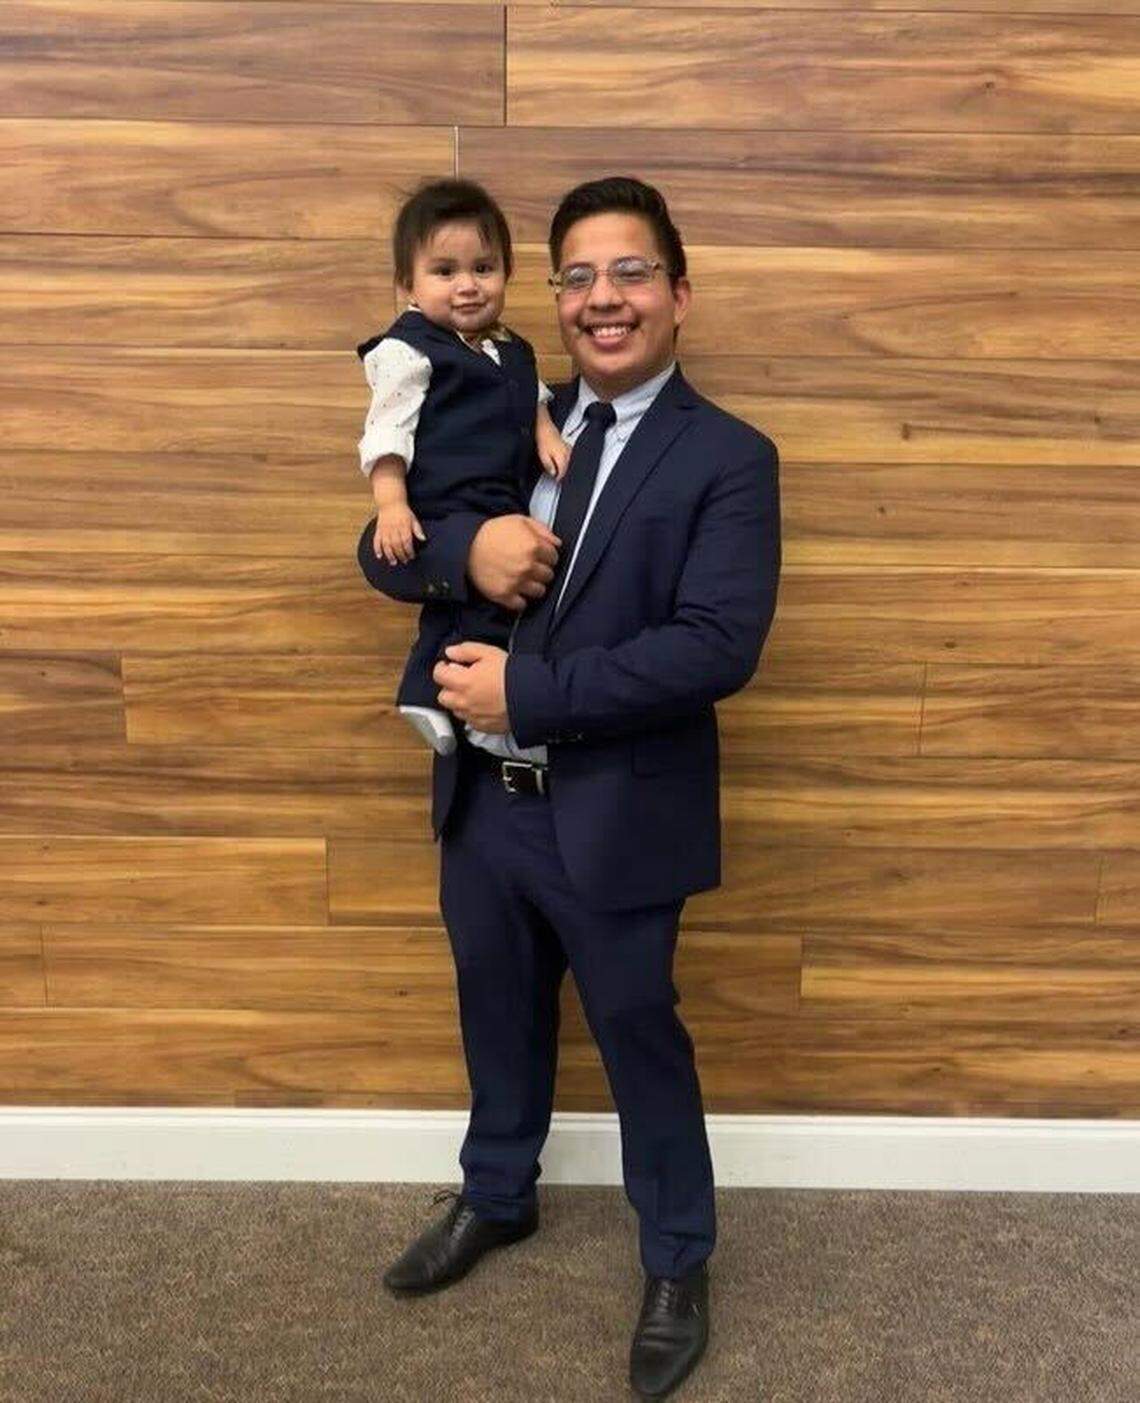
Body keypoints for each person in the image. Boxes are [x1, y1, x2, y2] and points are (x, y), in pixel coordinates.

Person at [357, 175, 781, 1401]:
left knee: (640, 1033)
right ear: (557, 298)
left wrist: (531, 697)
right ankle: (499, 1194)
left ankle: (676, 1256)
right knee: (497, 1014)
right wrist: (461, 548)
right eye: (579, 276)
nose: (604, 298)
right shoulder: (497, 405)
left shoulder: (730, 457)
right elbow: (375, 544)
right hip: (483, 812)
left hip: (618, 812)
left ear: (679, 294)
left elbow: (716, 645)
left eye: (631, 271)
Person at [355, 178, 570, 755]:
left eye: (484, 267)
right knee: (455, 607)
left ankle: (463, 696)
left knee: (489, 607)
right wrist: (392, 504)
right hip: (445, 498)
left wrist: (546, 433)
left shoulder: (511, 349)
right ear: (408, 285)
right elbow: (387, 431)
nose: (468, 286)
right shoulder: (409, 351)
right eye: (445, 272)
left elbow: (532, 396)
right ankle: (422, 691)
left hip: (497, 496)